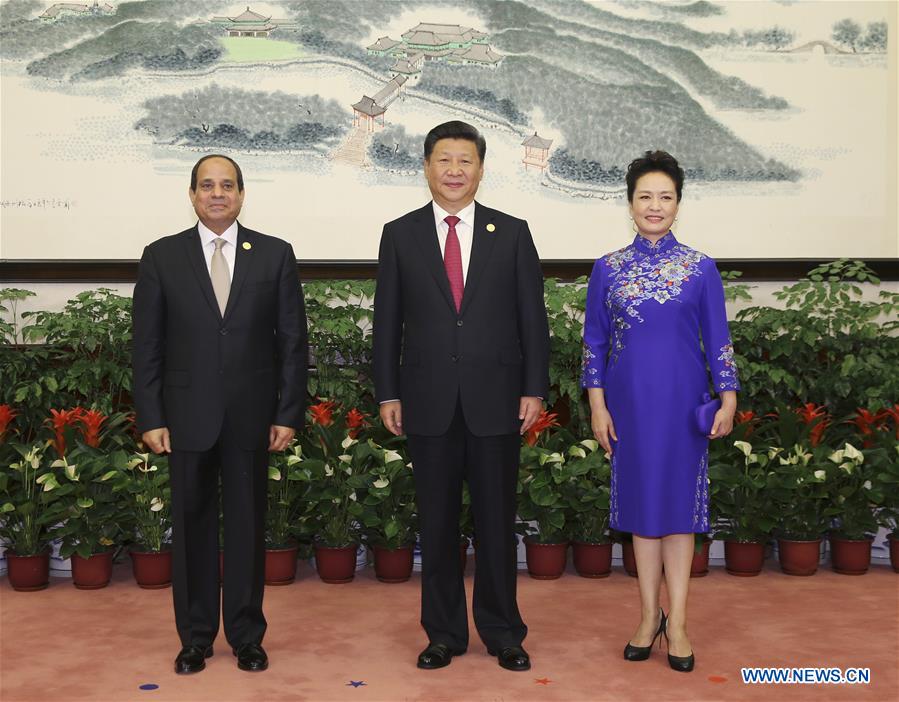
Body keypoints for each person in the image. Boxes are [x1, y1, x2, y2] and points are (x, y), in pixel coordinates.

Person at [373, 121, 550, 672]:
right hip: (426, 400)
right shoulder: (399, 234)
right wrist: (388, 393)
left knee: (497, 522)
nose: (454, 170)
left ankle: (503, 632)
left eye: (465, 161)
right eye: (444, 160)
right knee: (438, 523)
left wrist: (533, 388)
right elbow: (387, 324)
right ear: (426, 167)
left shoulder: (513, 232)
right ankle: (444, 632)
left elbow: (533, 321)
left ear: (480, 168)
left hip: (497, 399)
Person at [132, 154, 308, 675]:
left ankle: (248, 637)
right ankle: (195, 638)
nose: (217, 194)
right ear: (192, 195)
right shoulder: (162, 256)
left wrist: (288, 411)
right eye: (206, 186)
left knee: (249, 528)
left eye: (226, 185)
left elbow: (293, 343)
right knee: (191, 527)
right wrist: (150, 415)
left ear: (241, 193)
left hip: (253, 416)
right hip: (185, 416)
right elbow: (147, 345)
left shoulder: (274, 255)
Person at [581, 150, 739, 673]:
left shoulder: (700, 268)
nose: (655, 206)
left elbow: (719, 339)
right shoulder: (607, 269)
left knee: (678, 518)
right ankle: (649, 618)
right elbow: (594, 346)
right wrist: (597, 406)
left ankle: (682, 624)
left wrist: (729, 396)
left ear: (678, 204)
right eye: (645, 196)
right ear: (629, 203)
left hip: (683, 406)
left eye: (665, 197)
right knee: (642, 518)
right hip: (628, 409)